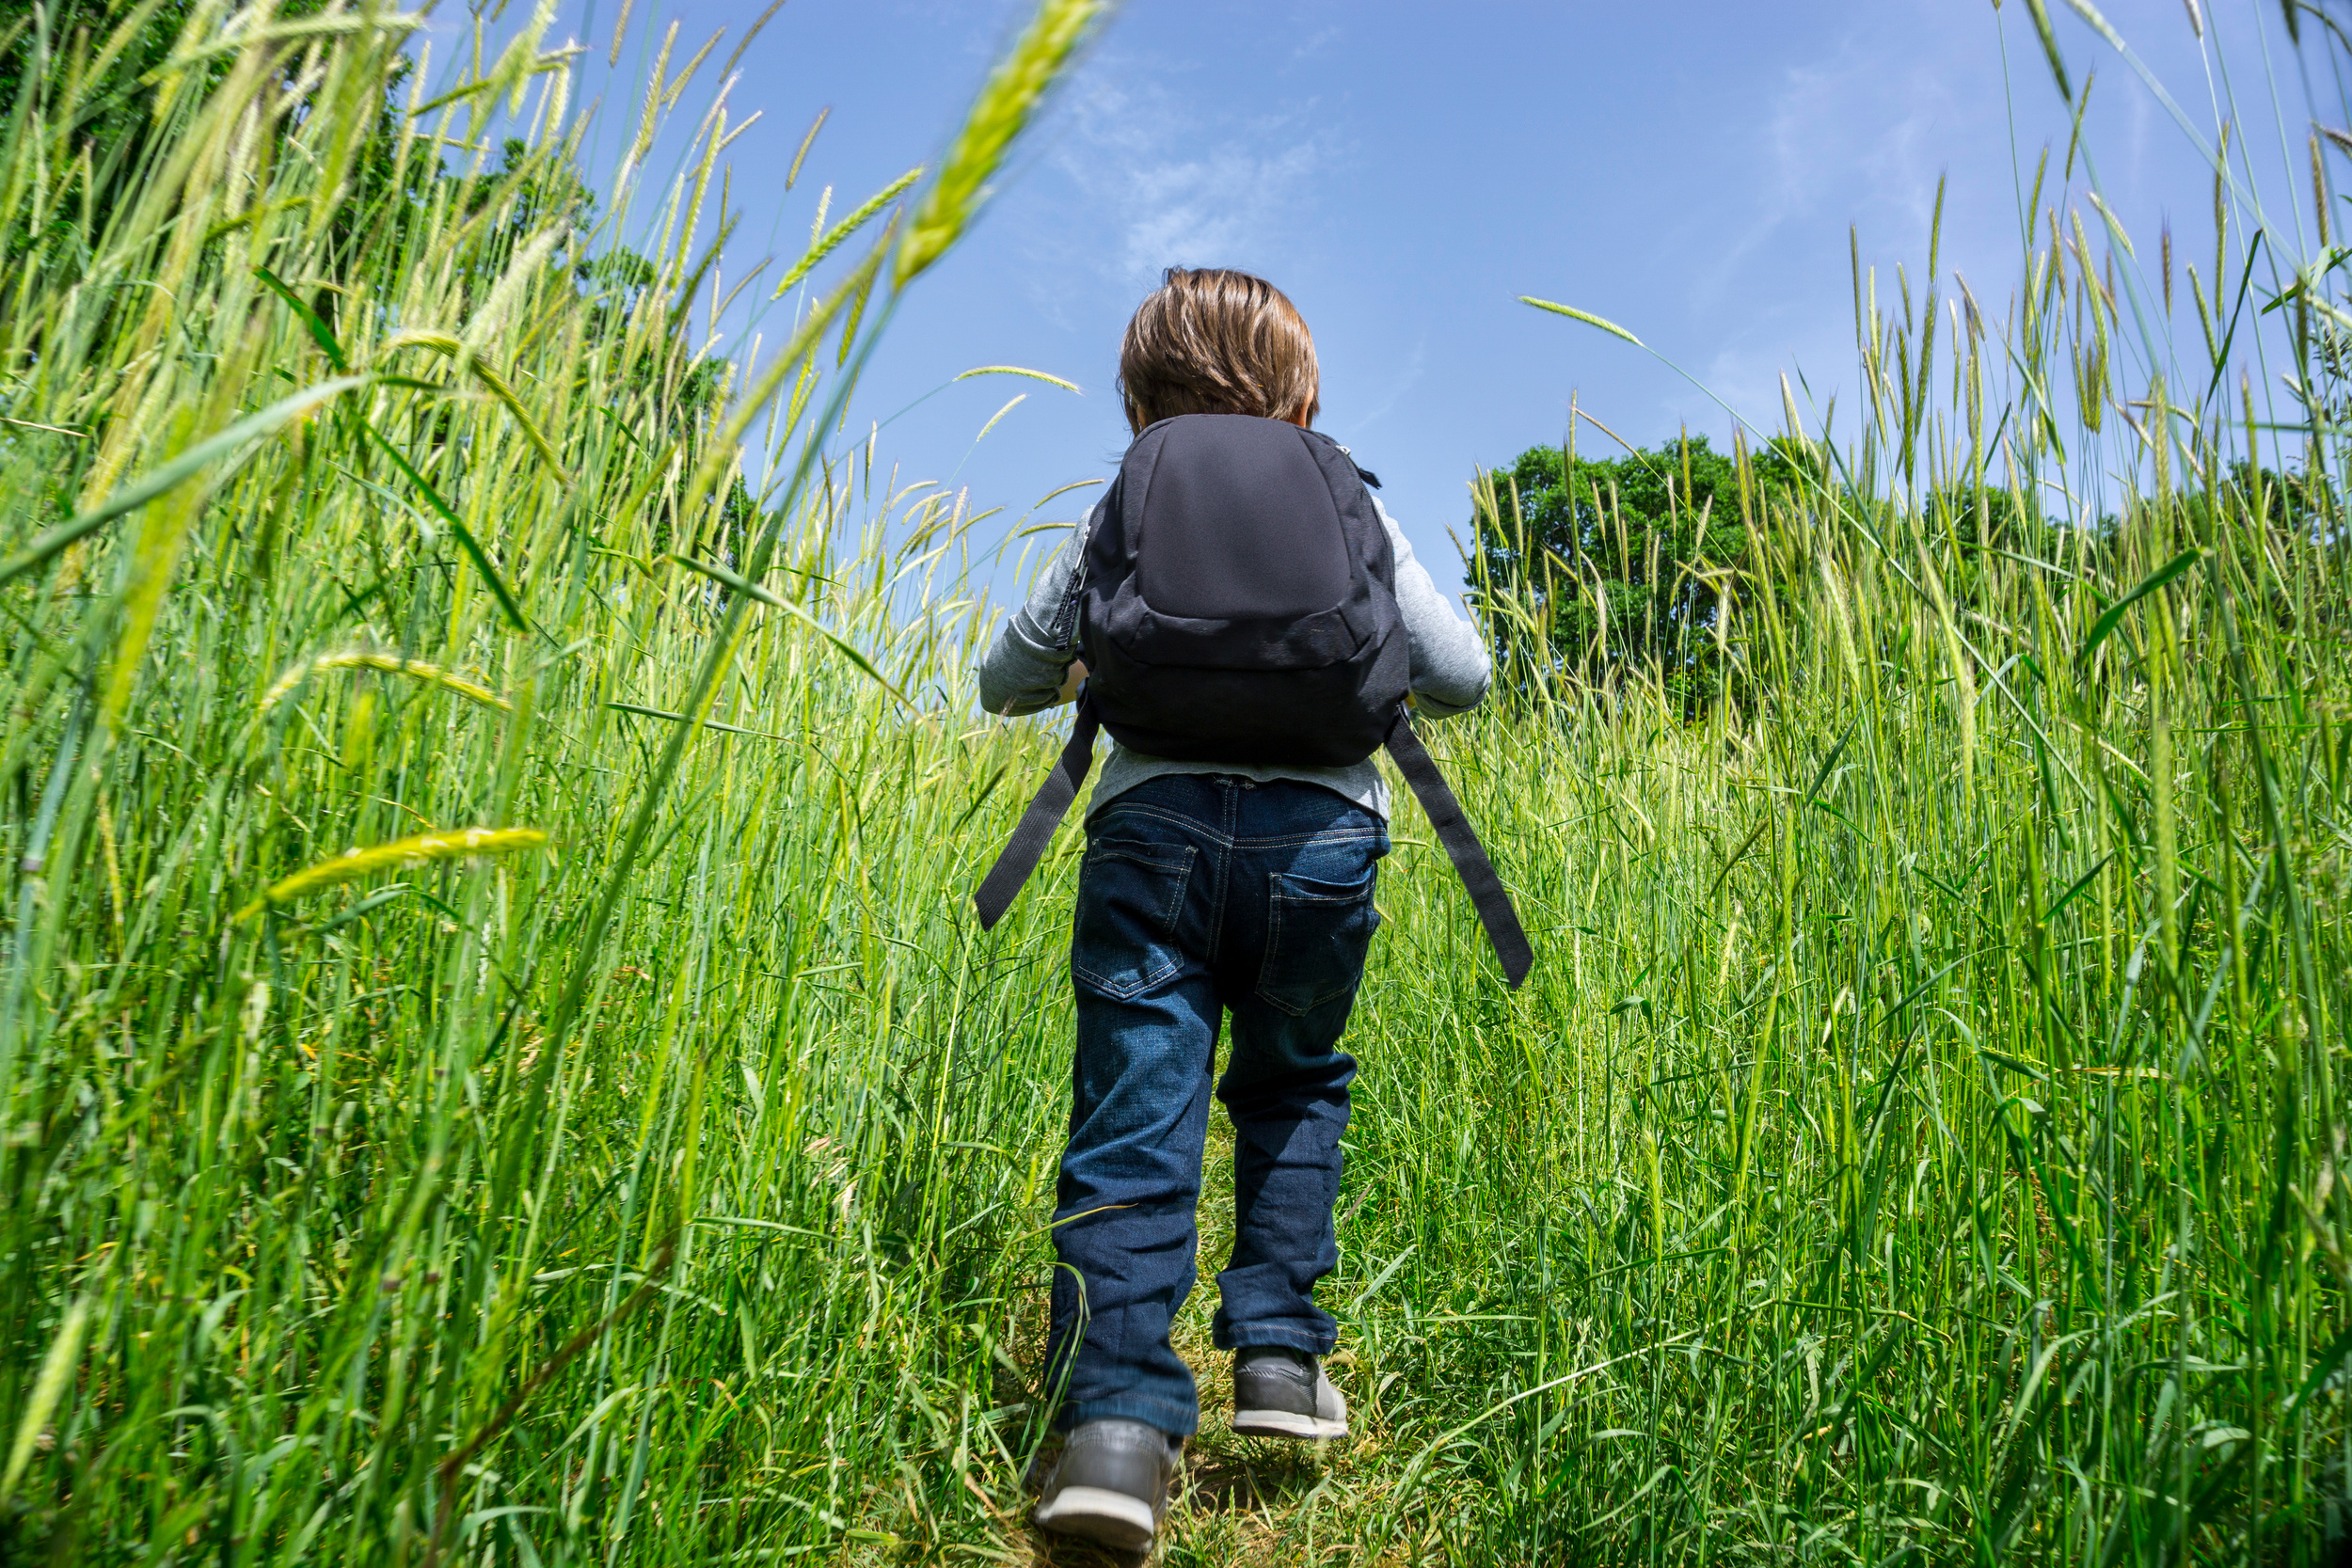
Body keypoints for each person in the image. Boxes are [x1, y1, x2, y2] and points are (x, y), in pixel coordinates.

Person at [974, 267, 1492, 1551]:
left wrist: (1095, 651)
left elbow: (1004, 680)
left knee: (1135, 1108)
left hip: (1150, 833)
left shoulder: (1128, 494)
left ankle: (1113, 1431)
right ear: (1302, 387)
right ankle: (1276, 1364)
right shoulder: (1349, 490)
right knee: (1293, 1084)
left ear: (1139, 395)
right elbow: (1461, 676)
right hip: (1326, 844)